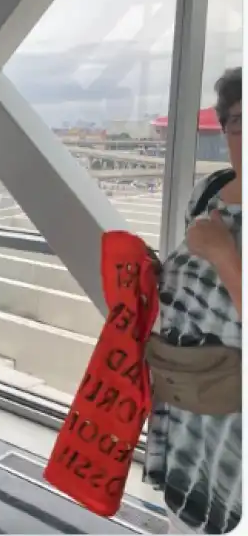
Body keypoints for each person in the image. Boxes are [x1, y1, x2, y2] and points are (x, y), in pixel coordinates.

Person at [144, 67, 242, 534]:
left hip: (233, 423)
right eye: (238, 121)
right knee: (183, 519)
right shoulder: (209, 192)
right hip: (185, 399)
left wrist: (226, 255)